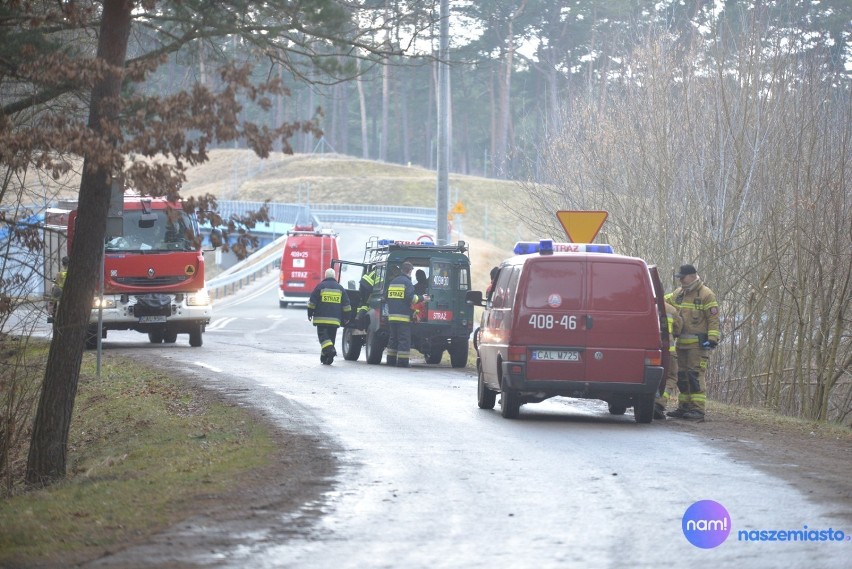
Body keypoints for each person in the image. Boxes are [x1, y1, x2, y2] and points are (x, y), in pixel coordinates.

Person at [666, 264, 720, 421]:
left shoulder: (706, 294)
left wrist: (712, 339)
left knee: (695, 376)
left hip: (697, 346)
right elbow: (664, 301)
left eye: (682, 277)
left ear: (692, 276)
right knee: (682, 376)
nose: (681, 280)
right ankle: (684, 407)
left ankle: (697, 409)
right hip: (681, 344)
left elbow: (713, 319)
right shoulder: (679, 293)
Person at [307, 268, 352, 365]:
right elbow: (347, 305)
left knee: (324, 339)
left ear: (325, 276)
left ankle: (330, 351)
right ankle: (325, 358)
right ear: (334, 276)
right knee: (330, 339)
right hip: (335, 320)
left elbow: (312, 303)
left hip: (321, 319)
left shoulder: (320, 286)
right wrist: (347, 317)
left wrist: (310, 313)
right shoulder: (340, 288)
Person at [385, 261, 420, 368]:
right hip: (403, 318)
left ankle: (390, 360)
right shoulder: (407, 283)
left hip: (392, 317)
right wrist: (422, 298)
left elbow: (387, 297)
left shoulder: (393, 282)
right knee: (404, 340)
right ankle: (402, 362)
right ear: (409, 271)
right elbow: (411, 298)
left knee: (393, 339)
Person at [654, 293, 682, 419]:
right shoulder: (671, 309)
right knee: (670, 377)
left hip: (650, 350)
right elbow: (678, 330)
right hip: (668, 351)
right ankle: (659, 404)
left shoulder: (647, 305)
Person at [48, 256, 69, 324]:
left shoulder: (60, 273)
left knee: (52, 300)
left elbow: (56, 282)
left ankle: (51, 313)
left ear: (63, 264)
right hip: (69, 292)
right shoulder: (74, 273)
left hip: (60, 291)